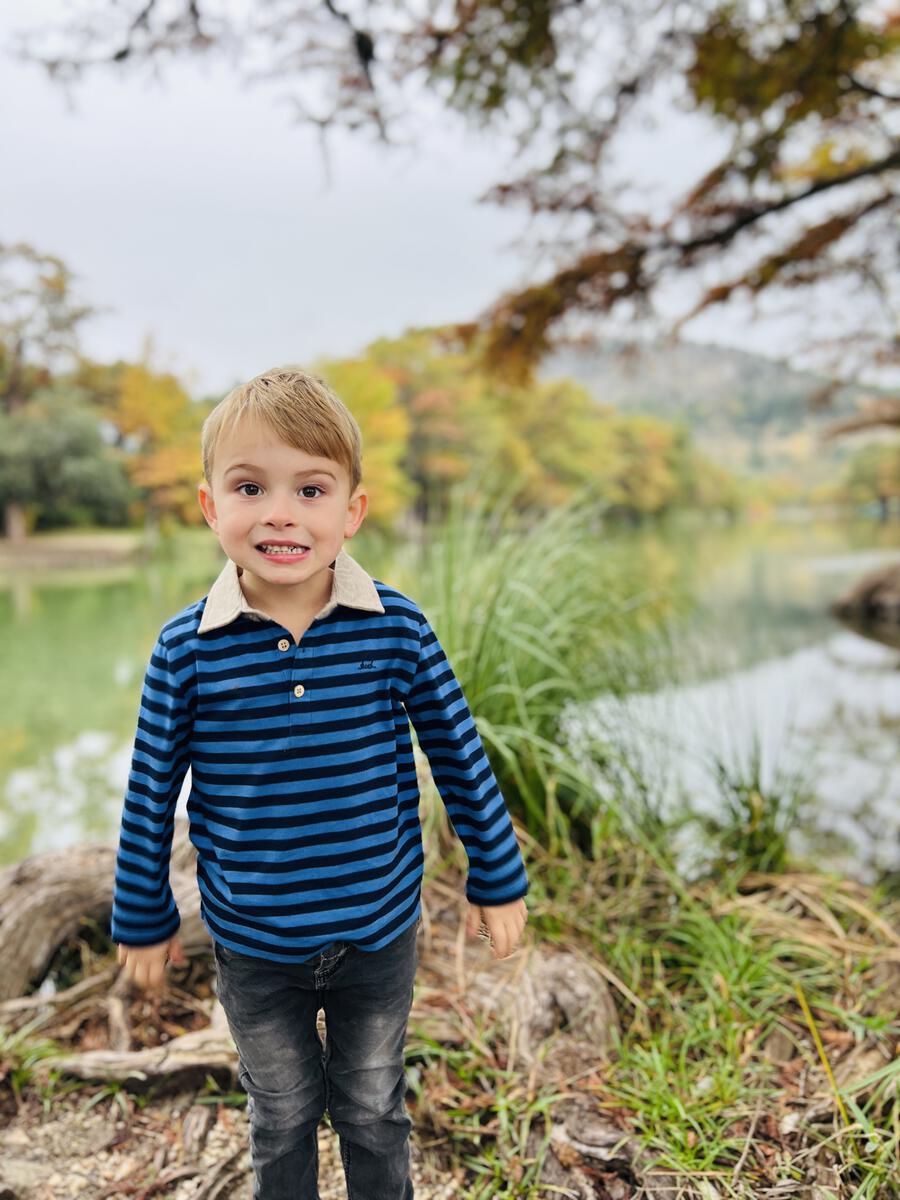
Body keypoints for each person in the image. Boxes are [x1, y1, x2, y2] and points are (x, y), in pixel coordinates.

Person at [110, 367, 530, 1200]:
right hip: (255, 942)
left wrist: (498, 875)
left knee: (374, 1106)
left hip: (377, 929)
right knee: (283, 1112)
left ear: (351, 512)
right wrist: (143, 911)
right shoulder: (186, 649)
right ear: (209, 507)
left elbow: (458, 752)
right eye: (249, 486)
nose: (280, 513)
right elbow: (151, 790)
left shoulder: (396, 627)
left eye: (310, 489)